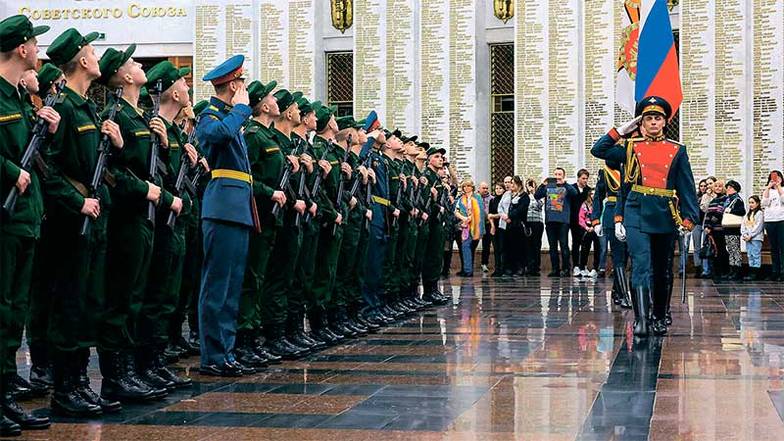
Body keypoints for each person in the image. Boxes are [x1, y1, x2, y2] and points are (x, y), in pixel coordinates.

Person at [591, 96, 698, 337]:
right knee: (640, 264)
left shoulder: (677, 150)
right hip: (636, 211)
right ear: (641, 122)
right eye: (648, 118)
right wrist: (622, 130)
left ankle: (659, 315)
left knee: (662, 269)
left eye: (657, 118)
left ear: (664, 122)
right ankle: (641, 319)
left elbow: (686, 186)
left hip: (665, 213)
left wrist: (689, 219)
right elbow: (599, 149)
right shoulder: (630, 147)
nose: (652, 122)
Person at [0, 15, 59, 433]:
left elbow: (33, 155)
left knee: (13, 312)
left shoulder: (19, 99)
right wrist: (7, 170)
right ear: (22, 48)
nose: (39, 51)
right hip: (5, 219)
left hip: (24, 219)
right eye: (35, 44)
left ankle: (5, 397)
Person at [195, 54, 256, 377]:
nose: (244, 88)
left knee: (232, 287)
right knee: (217, 286)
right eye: (241, 83)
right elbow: (215, 138)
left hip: (238, 209)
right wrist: (242, 110)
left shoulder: (231, 117)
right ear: (232, 85)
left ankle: (227, 352)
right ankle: (213, 355)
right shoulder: (210, 116)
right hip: (221, 209)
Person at [592, 160, 631, 308]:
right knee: (618, 256)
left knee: (626, 255)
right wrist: (595, 220)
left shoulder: (630, 168)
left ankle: (616, 291)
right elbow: (598, 196)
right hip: (611, 212)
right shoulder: (606, 172)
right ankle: (624, 295)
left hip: (629, 212)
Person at [534, 168, 577, 277]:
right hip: (550, 220)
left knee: (564, 245)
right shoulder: (549, 186)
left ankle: (566, 269)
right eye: (556, 174)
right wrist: (543, 185)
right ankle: (555, 269)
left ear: (564, 176)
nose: (557, 176)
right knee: (552, 246)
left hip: (563, 221)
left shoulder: (567, 187)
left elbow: (575, 193)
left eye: (560, 174)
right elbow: (537, 195)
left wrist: (565, 183)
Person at [454, 178, 485, 277]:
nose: (466, 188)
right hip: (464, 226)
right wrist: (464, 218)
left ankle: (468, 269)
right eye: (465, 186)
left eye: (469, 186)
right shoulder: (461, 198)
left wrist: (470, 218)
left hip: (475, 226)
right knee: (465, 247)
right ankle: (467, 270)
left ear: (472, 187)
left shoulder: (477, 197)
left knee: (469, 247)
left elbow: (479, 212)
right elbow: (456, 211)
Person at [703, 180, 727, 280]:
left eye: (720, 186)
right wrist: (706, 226)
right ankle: (716, 272)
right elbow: (708, 214)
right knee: (715, 251)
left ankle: (723, 271)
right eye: (716, 186)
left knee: (721, 250)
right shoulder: (713, 200)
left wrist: (709, 226)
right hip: (712, 229)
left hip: (719, 229)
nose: (717, 188)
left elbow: (718, 213)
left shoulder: (724, 199)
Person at [569, 169, 592, 276]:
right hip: (574, 220)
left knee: (586, 244)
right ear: (578, 178)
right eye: (583, 178)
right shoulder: (572, 188)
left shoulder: (588, 190)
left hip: (586, 221)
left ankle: (584, 265)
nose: (585, 181)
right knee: (576, 243)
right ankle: (576, 266)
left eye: (586, 178)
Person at [762, 170, 784, 281]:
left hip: (781, 220)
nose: (775, 179)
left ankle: (782, 272)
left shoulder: (783, 189)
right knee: (773, 247)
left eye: (778, 177)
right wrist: (768, 187)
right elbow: (764, 203)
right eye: (773, 177)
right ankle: (775, 271)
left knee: (782, 247)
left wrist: (779, 186)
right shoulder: (768, 190)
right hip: (770, 221)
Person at [721, 180, 745, 280]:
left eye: (730, 187)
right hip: (728, 228)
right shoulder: (728, 199)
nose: (728, 189)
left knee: (735, 250)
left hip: (734, 228)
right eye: (728, 187)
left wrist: (731, 210)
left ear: (735, 189)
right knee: (730, 249)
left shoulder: (737, 199)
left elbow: (742, 211)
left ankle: (737, 270)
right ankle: (732, 270)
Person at [506, 176, 530, 275]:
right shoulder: (511, 195)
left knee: (520, 247)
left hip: (519, 224)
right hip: (511, 225)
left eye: (513, 183)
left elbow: (521, 210)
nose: (511, 185)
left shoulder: (524, 196)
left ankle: (521, 267)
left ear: (518, 185)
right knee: (511, 247)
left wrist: (509, 215)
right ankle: (512, 267)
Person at [524, 178, 544, 276]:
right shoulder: (525, 197)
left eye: (532, 185)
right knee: (528, 245)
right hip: (528, 222)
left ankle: (536, 267)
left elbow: (538, 206)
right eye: (529, 185)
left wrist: (533, 193)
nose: (531, 187)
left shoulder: (538, 196)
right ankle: (529, 266)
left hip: (537, 223)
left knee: (536, 245)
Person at [578, 190, 599, 278]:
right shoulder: (584, 204)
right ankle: (583, 267)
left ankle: (595, 268)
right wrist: (586, 227)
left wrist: (595, 227)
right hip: (587, 228)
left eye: (595, 194)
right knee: (585, 248)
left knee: (598, 248)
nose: (593, 196)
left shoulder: (599, 204)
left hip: (597, 228)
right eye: (592, 194)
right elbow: (580, 218)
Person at [742, 195, 764, 281]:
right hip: (747, 238)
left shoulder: (759, 214)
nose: (750, 205)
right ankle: (751, 272)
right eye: (749, 203)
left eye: (752, 203)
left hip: (756, 238)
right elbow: (743, 225)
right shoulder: (748, 214)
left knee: (755, 255)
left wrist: (750, 235)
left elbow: (758, 227)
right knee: (750, 255)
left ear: (757, 203)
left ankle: (756, 273)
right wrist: (744, 234)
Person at [496, 176, 513, 276]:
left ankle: (510, 268)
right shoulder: (505, 194)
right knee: (503, 247)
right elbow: (500, 207)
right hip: (503, 224)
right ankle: (504, 268)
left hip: (512, 223)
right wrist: (503, 215)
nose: (507, 184)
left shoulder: (516, 194)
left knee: (511, 247)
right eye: (505, 182)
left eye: (509, 182)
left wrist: (509, 216)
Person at [487, 183, 504, 276]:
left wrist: (495, 215)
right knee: (496, 248)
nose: (498, 190)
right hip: (495, 226)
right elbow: (490, 215)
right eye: (496, 188)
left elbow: (503, 213)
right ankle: (497, 269)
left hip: (503, 226)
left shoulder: (505, 200)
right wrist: (492, 226)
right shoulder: (493, 201)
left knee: (502, 248)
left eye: (500, 188)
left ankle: (503, 268)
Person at [478, 181, 493, 272]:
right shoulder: (475, 198)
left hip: (487, 223)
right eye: (483, 188)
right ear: (479, 189)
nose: (486, 190)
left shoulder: (491, 198)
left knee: (486, 245)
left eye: (487, 188)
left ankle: (484, 263)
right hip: (476, 224)